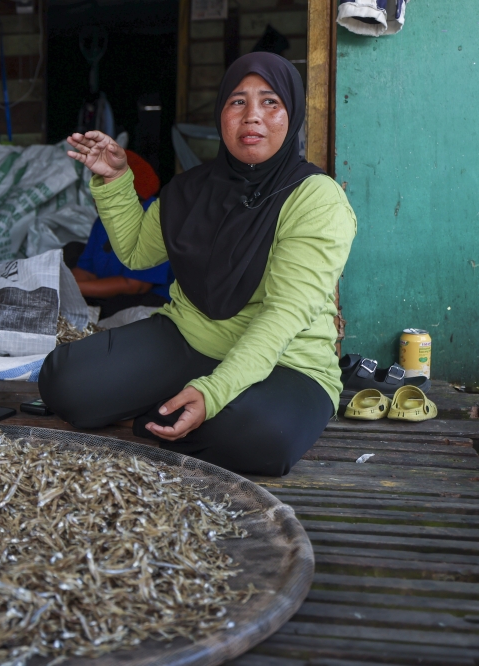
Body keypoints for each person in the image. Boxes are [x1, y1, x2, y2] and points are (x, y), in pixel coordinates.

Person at [39, 52, 356, 477]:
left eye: (270, 102)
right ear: (221, 113)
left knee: (263, 437)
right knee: (65, 382)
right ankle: (174, 413)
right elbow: (136, 252)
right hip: (189, 338)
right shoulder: (191, 189)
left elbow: (284, 314)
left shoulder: (316, 198)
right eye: (237, 101)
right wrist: (114, 179)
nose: (252, 116)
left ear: (292, 114)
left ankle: (159, 415)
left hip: (288, 360)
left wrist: (215, 391)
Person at [70, 151, 175, 320]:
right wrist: (64, 284)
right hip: (114, 286)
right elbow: (86, 270)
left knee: (112, 311)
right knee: (70, 251)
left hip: (151, 296)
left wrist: (74, 288)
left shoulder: (156, 221)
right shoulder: (105, 218)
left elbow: (135, 285)